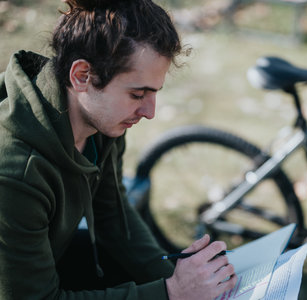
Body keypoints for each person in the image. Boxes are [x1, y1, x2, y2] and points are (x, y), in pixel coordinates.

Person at [0, 0, 237, 299]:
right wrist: (172, 292)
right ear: (82, 76)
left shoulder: (102, 122)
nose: (150, 112)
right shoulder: (14, 173)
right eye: (137, 94)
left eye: (153, 93)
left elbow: (111, 212)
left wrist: (182, 281)